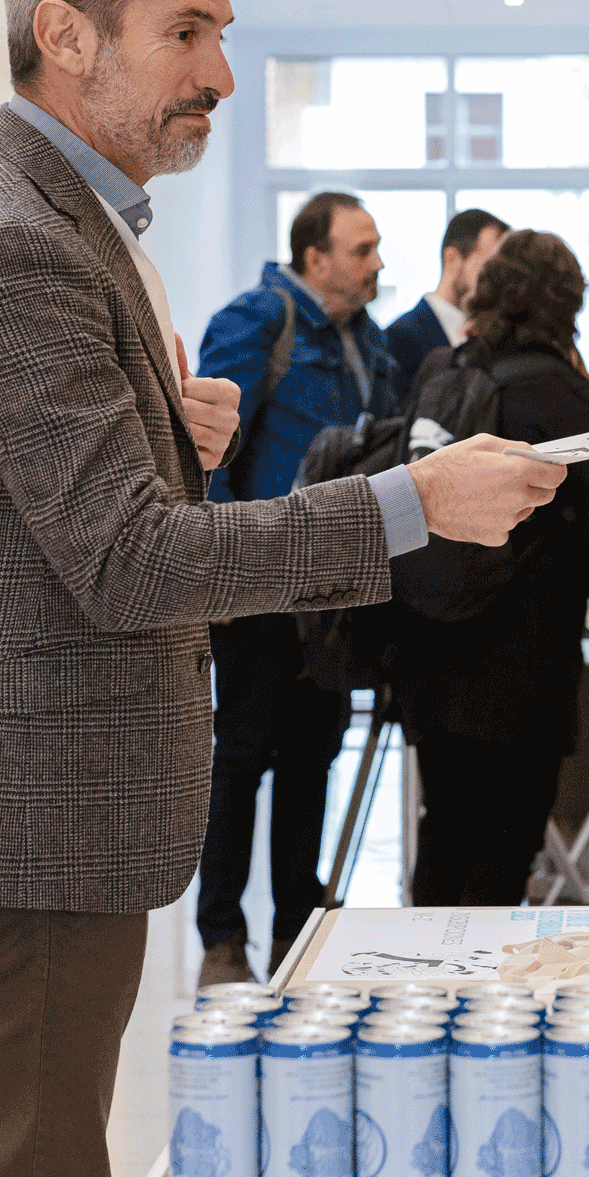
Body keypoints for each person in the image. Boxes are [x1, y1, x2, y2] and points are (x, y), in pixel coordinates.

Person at [0, 0, 563, 1177]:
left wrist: (170, 432)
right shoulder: (11, 244)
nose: (220, 74)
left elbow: (36, 512)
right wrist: (410, 503)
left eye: (221, 36)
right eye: (187, 33)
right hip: (23, 806)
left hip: (10, 793)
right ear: (67, 34)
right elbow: (128, 560)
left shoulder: (42, 217)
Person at [390, 228, 589, 906]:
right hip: (521, 662)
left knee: (445, 828)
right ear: (568, 303)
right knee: (503, 845)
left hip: (429, 648)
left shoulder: (446, 371)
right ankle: (478, 974)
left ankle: (426, 969)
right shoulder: (559, 391)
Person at [192, 190, 401, 986]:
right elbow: (206, 451)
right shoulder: (259, 321)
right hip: (257, 590)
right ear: (315, 258)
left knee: (313, 759)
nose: (376, 263)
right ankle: (222, 937)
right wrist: (220, 573)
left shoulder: (367, 340)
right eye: (361, 249)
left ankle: (296, 931)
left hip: (333, 594)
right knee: (242, 755)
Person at [385, 206, 508, 391]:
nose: (499, 278)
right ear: (452, 258)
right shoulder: (402, 336)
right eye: (490, 265)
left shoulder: (492, 334)